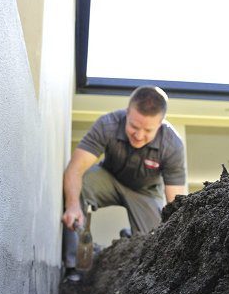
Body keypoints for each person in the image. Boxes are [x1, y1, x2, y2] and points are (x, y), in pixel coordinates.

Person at [62, 85, 186, 281]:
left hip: (146, 192)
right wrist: (72, 207)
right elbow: (74, 169)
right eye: (134, 126)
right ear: (127, 113)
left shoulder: (172, 145)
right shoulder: (107, 125)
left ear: (160, 124)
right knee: (77, 187)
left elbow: (175, 202)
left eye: (147, 130)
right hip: (108, 178)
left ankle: (130, 239)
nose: (138, 135)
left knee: (154, 239)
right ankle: (74, 268)